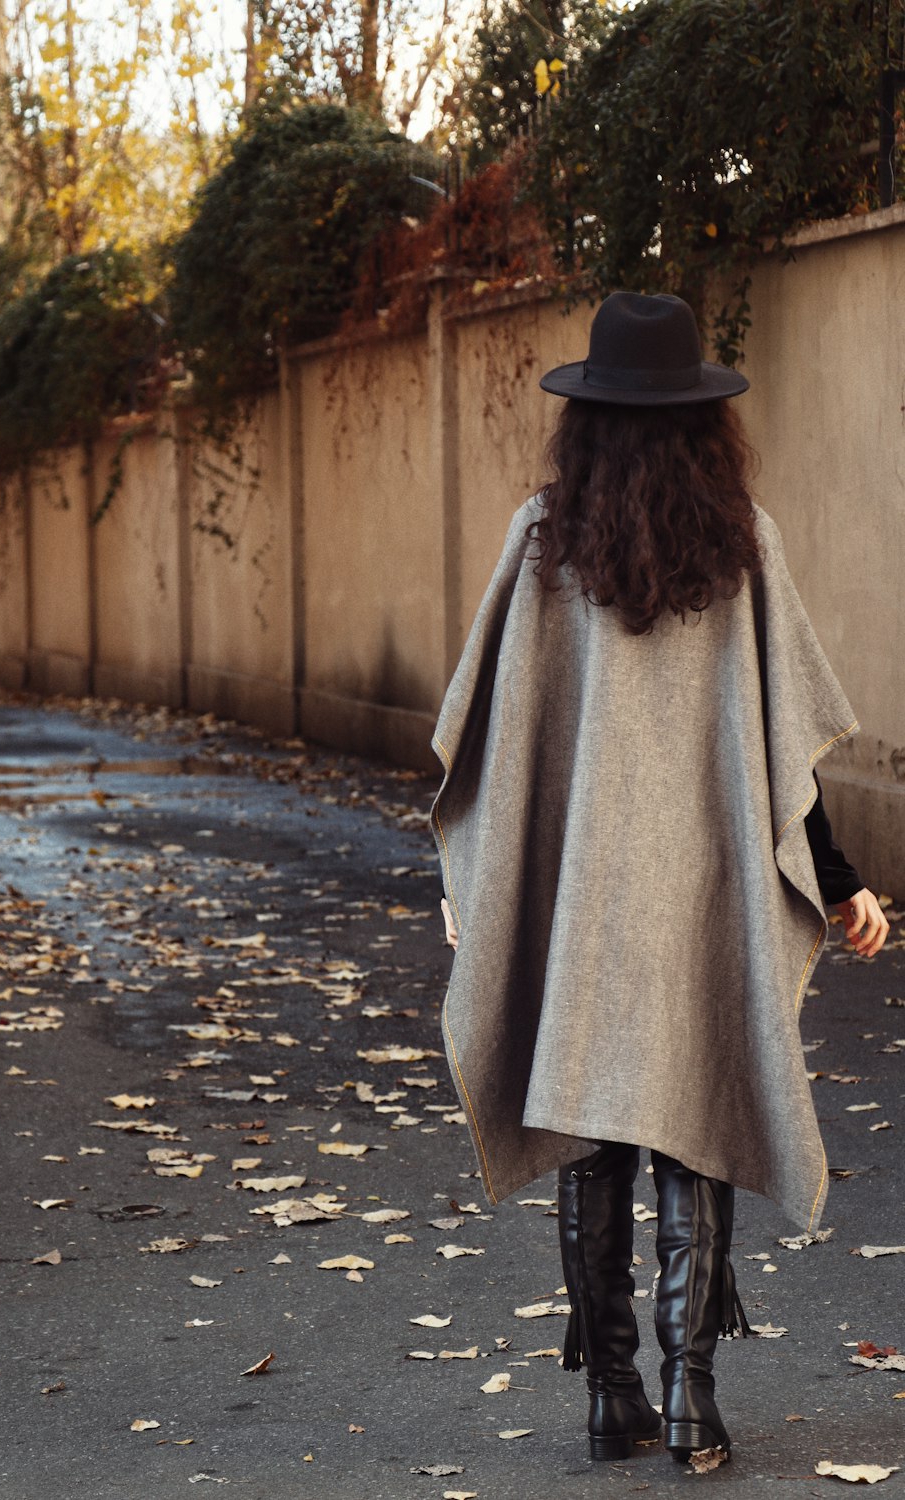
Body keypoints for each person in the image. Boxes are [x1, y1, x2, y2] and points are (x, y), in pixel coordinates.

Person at [428, 291, 889, 1468]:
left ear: (584, 420)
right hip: (698, 899)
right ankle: (691, 1399)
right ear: (702, 421)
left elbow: (485, 749)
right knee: (694, 1120)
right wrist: (840, 884)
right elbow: (782, 757)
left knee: (594, 1132)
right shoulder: (742, 544)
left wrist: (485, 896)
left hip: (582, 903)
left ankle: (609, 1395)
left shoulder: (542, 543)